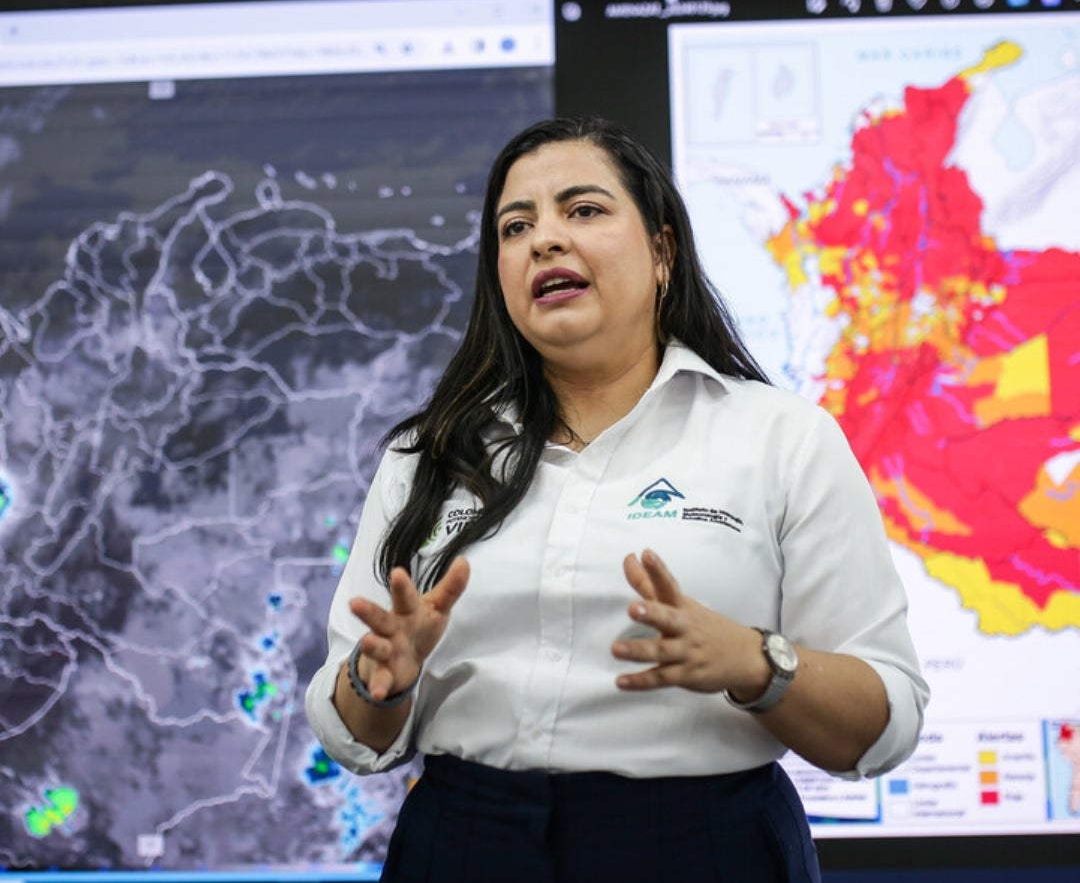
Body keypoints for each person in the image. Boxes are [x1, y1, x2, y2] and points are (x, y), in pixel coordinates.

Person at [305, 116, 929, 882]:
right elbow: (355, 736)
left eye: (584, 210)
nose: (545, 240)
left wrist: (753, 661)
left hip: (704, 847)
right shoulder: (428, 455)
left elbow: (884, 720)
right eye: (516, 225)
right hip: (466, 844)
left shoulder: (782, 438)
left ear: (663, 250)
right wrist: (381, 680)